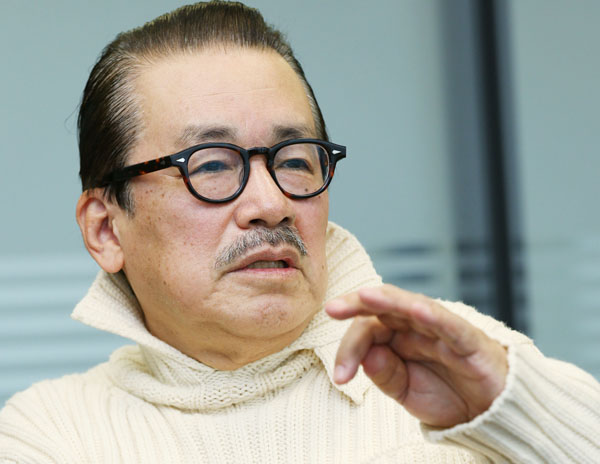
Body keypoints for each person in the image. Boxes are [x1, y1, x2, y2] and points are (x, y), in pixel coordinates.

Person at [1, 2, 599, 462]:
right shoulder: (53, 435)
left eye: (292, 160)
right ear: (106, 230)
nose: (272, 203)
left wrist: (511, 411)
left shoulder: (461, 364)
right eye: (212, 165)